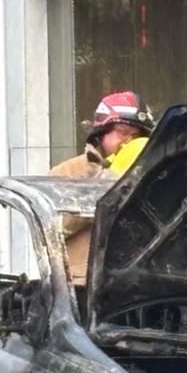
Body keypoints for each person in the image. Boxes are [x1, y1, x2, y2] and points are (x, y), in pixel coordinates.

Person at [49, 91, 154, 287]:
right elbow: (51, 228)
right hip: (79, 289)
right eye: (122, 132)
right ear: (101, 132)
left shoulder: (150, 178)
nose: (128, 142)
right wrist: (108, 184)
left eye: (136, 136)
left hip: (135, 286)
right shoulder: (67, 172)